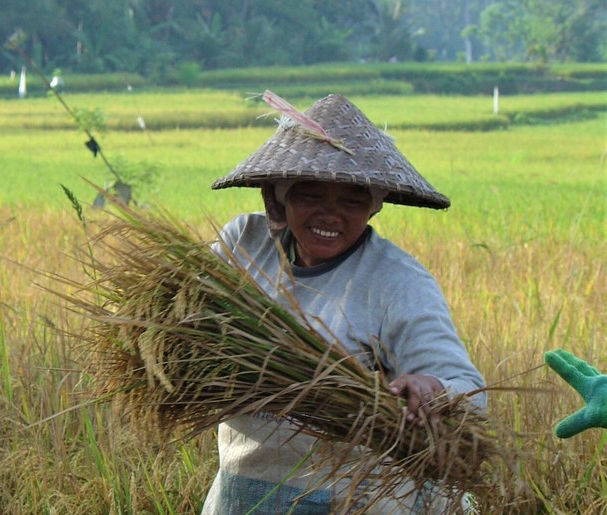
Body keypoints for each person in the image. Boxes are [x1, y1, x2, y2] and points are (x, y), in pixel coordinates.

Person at [202, 93, 487, 514]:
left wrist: (434, 388)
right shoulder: (243, 245)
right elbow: (180, 319)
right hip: (245, 489)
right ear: (280, 197)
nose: (329, 214)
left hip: (351, 498)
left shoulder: (396, 282)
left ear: (374, 206)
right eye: (310, 196)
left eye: (351, 200)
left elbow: (469, 389)